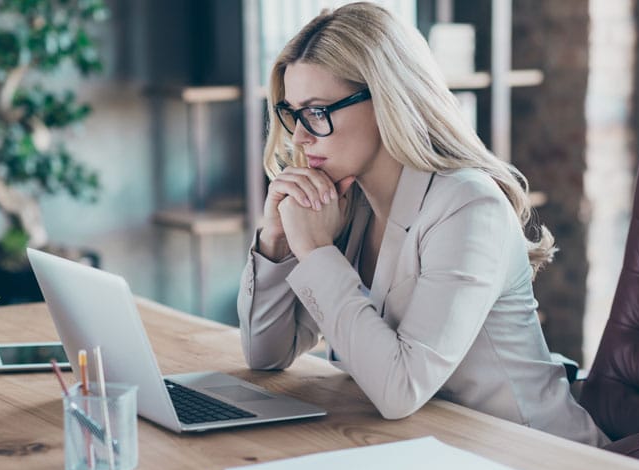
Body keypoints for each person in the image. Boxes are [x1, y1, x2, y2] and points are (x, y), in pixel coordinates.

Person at [236, 1, 608, 446]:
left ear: (387, 99)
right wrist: (275, 241)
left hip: (535, 457)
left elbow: (399, 390)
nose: (299, 135)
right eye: (294, 113)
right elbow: (265, 355)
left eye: (317, 111)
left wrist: (317, 252)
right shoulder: (344, 202)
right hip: (427, 449)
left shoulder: (470, 207)